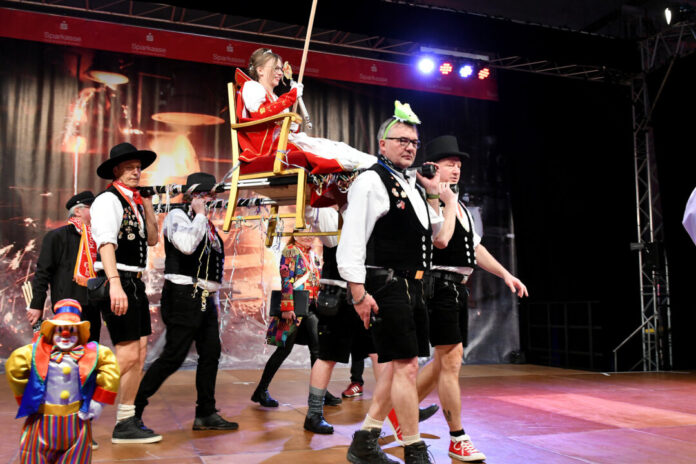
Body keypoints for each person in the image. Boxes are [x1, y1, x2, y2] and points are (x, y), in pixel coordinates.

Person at [388, 135, 528, 461]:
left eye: (459, 165)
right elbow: (441, 240)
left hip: (455, 288)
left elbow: (475, 249)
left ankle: (399, 415)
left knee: (443, 362)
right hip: (436, 285)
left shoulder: (460, 205)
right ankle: (457, 437)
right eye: (450, 164)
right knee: (450, 362)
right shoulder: (429, 199)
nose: (456, 170)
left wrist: (505, 274)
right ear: (433, 166)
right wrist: (444, 200)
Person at [337, 102, 445, 464]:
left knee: (400, 366)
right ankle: (414, 450)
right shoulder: (370, 180)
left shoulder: (410, 183)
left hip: (412, 286)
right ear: (381, 144)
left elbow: (431, 229)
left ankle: (365, 440)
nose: (410, 146)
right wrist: (358, 293)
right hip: (386, 284)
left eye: (414, 141)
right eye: (401, 140)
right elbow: (351, 241)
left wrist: (431, 190)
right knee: (407, 366)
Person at [133, 172, 238, 438]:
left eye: (211, 195)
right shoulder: (178, 216)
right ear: (193, 196)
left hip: (204, 297)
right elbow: (187, 246)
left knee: (211, 353)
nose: (211, 199)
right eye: (206, 195)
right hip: (184, 294)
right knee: (173, 356)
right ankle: (133, 410)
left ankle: (206, 413)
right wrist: (200, 214)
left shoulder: (205, 222)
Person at [90, 142, 159, 443]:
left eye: (138, 166)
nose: (136, 171)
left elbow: (154, 240)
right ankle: (80, 412)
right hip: (117, 278)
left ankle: (126, 421)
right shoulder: (108, 200)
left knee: (140, 352)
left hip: (135, 281)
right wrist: (114, 281)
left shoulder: (134, 201)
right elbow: (106, 243)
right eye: (130, 166)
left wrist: (147, 207)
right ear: (116, 170)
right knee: (128, 352)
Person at [5, 299, 119, 464]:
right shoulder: (36, 351)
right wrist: (29, 396)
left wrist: (98, 402)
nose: (65, 335)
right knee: (33, 457)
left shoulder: (92, 352)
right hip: (41, 423)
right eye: (60, 330)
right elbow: (14, 367)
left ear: (79, 333)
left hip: (76, 424)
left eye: (71, 330)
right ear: (52, 332)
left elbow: (111, 368)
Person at [239, 47, 376, 172]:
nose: (280, 73)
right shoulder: (252, 87)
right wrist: (290, 96)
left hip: (282, 142)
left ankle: (372, 163)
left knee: (333, 146)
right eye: (275, 68)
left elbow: (275, 121)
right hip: (268, 148)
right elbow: (259, 115)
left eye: (280, 69)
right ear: (260, 70)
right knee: (321, 150)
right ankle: (360, 164)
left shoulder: (274, 97)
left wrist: (290, 125)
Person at [251, 232, 341, 408]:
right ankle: (261, 390)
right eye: (304, 233)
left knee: (317, 350)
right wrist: (287, 307)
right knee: (283, 350)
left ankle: (320, 391)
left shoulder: (312, 253)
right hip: (296, 308)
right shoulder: (291, 251)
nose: (309, 236)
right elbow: (287, 280)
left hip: (311, 307)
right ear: (295, 234)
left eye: (311, 233)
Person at [27, 191, 102, 342]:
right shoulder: (57, 237)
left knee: (91, 351)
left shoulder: (99, 237)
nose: (97, 211)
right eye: (92, 207)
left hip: (93, 304)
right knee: (67, 352)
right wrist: (37, 304)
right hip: (67, 306)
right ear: (77, 211)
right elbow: (42, 273)